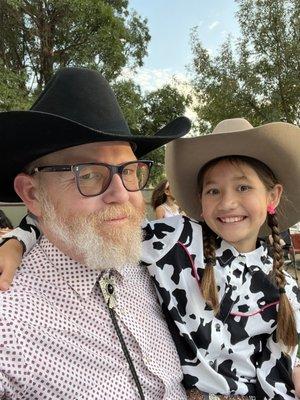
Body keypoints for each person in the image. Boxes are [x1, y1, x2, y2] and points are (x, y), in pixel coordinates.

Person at [1, 118, 300, 399]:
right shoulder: (176, 242)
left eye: (244, 187)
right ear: (200, 200)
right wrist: (18, 240)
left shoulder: (283, 283)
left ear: (272, 197)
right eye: (213, 190)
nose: (228, 202)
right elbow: (84, 223)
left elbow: (287, 358)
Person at [0, 67, 192, 399]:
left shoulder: (160, 259)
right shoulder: (11, 324)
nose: (122, 194)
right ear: (32, 194)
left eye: (130, 171)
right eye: (89, 174)